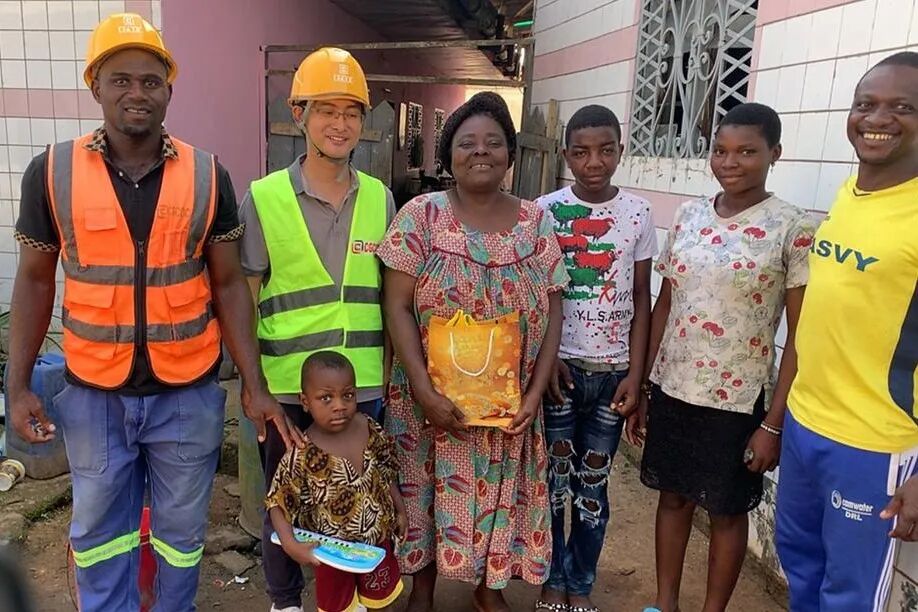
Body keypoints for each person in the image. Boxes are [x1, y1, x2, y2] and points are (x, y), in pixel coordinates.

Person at [5, 13, 294, 612]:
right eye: (121, 80)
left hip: (186, 395)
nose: (136, 92)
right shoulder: (52, 172)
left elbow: (229, 284)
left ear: (168, 90)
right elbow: (33, 281)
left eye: (150, 81)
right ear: (96, 86)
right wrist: (19, 384)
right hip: (94, 394)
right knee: (98, 535)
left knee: (181, 539)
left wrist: (253, 384)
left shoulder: (208, 174)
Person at [379, 91, 567, 612]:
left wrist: (534, 393)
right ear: (448, 155)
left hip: (506, 404)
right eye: (467, 143)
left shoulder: (536, 223)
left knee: (499, 491)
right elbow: (396, 306)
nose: (480, 151)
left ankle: (489, 587)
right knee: (423, 486)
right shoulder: (421, 217)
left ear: (510, 154)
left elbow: (554, 311)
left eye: (493, 142)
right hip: (428, 400)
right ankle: (423, 590)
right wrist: (423, 390)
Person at [630, 103, 817, 612]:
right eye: (720, 150)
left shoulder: (793, 228)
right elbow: (666, 304)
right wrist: (643, 385)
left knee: (726, 511)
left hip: (737, 400)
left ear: (775, 154)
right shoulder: (689, 215)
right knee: (672, 498)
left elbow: (802, 335)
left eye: (747, 152)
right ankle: (665, 604)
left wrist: (773, 423)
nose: (730, 162)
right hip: (674, 388)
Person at [237, 47, 396, 612]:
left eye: (351, 112)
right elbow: (244, 294)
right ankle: (285, 601)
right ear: (298, 113)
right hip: (287, 389)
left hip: (361, 387)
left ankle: (347, 601)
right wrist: (252, 385)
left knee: (359, 499)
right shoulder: (264, 198)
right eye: (326, 109)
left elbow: (390, 296)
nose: (340, 123)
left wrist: (389, 377)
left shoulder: (380, 198)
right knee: (285, 503)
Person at [775, 52, 918, 612]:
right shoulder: (849, 192)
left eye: (902, 107)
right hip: (806, 422)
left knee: (850, 596)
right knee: (800, 566)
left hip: (874, 443)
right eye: (866, 104)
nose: (877, 118)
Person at [534, 104, 656, 612]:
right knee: (553, 485)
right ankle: (552, 577)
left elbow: (642, 298)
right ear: (566, 156)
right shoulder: (543, 211)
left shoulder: (639, 213)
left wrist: (637, 377)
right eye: (582, 152)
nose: (594, 162)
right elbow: (538, 294)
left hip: (612, 376)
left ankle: (581, 582)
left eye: (606, 150)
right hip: (559, 372)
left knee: (593, 487)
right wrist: (545, 361)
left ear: (620, 151)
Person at [266, 351, 407, 612]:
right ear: (305, 402)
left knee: (381, 601)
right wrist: (290, 544)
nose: (339, 405)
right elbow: (278, 502)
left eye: (348, 395)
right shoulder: (303, 452)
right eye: (326, 398)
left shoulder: (369, 428)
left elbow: (386, 472)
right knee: (338, 607)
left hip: (376, 543)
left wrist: (400, 510)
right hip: (332, 552)